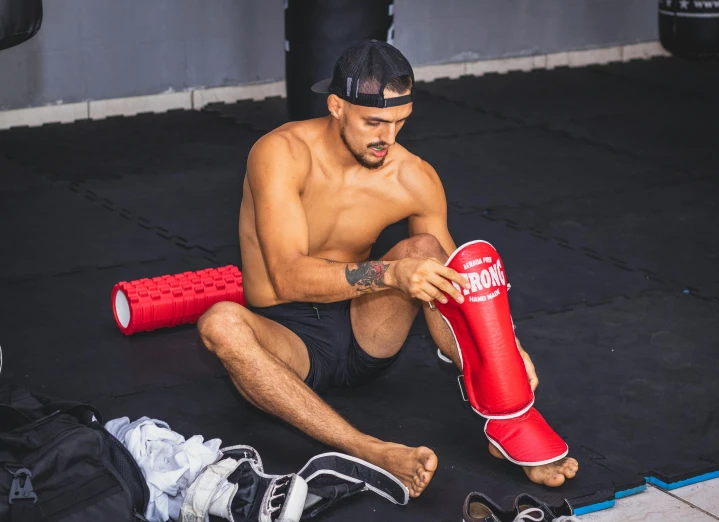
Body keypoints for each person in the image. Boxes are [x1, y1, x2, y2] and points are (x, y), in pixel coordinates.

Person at [197, 40, 578, 498]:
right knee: (220, 323)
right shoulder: (280, 153)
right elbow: (288, 276)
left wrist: (506, 351)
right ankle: (368, 451)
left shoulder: (412, 175)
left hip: (363, 331)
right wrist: (391, 275)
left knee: (425, 248)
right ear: (336, 106)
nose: (388, 138)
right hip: (285, 341)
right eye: (374, 122)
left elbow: (460, 282)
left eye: (400, 122)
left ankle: (509, 420)